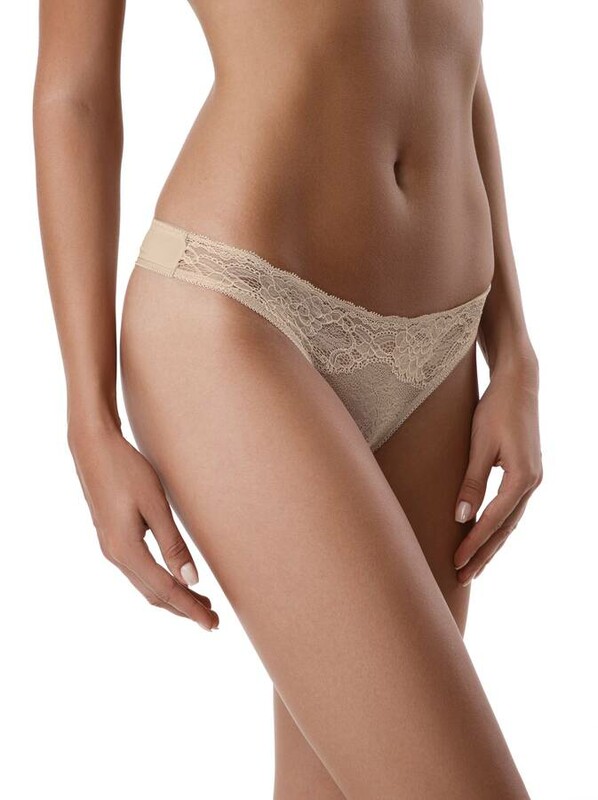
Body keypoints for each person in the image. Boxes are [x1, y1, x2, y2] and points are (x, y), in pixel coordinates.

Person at [33, 1, 542, 797]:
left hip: (443, 347)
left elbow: (451, 60)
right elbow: (76, 94)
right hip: (240, 310)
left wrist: (513, 352)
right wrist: (90, 422)